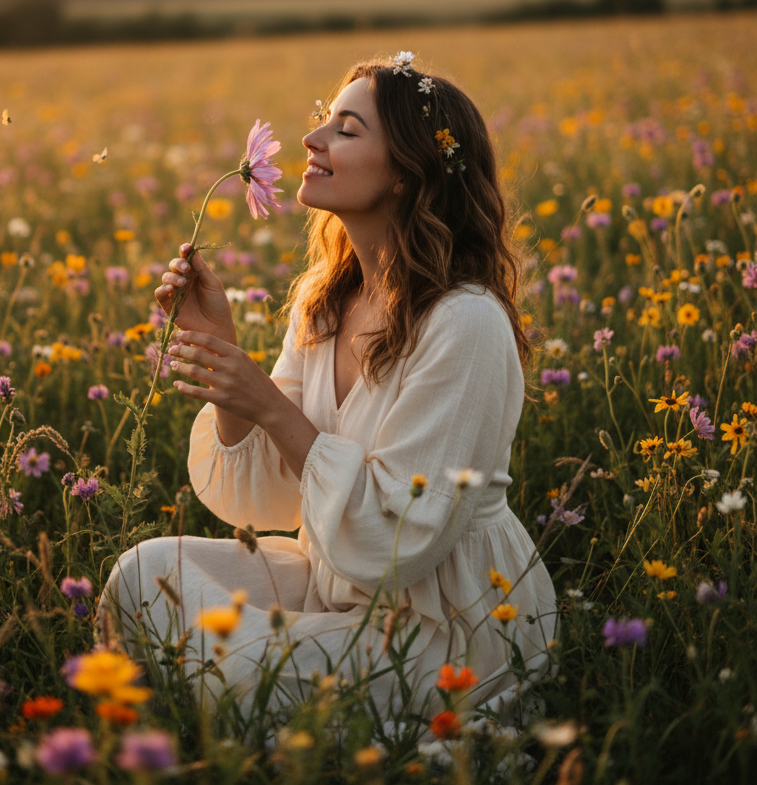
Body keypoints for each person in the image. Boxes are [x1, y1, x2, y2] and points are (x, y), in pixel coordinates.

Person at [103, 53, 558, 725]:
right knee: (142, 577)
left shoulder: (466, 322)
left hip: (445, 622)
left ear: (405, 172)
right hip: (336, 584)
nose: (312, 140)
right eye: (325, 120)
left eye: (346, 130)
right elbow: (275, 497)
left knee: (246, 670)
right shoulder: (324, 301)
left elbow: (399, 543)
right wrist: (229, 366)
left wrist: (264, 400)